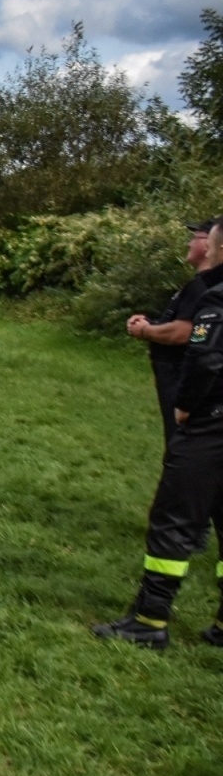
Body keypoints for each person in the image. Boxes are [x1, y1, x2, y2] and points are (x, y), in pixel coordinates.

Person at [95, 220, 223, 650]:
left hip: (210, 425)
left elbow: (205, 359)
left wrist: (185, 406)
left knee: (173, 519)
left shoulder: (214, 297)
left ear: (214, 246)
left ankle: (150, 621)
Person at [127, 219, 223, 444]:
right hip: (181, 377)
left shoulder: (204, 289)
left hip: (183, 377)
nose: (189, 244)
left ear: (210, 242)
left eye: (195, 238)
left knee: (182, 441)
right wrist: (150, 323)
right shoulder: (201, 285)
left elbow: (185, 332)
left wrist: (145, 331)